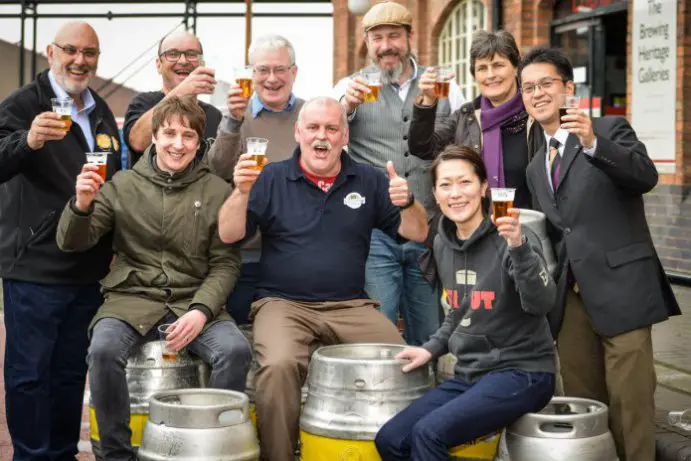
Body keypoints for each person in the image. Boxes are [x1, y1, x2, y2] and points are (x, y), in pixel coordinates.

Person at [218, 96, 428, 461]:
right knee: (279, 366)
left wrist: (408, 202)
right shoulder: (269, 176)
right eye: (313, 128)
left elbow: (418, 233)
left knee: (402, 361)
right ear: (298, 132)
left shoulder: (369, 179)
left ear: (345, 135)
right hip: (283, 304)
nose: (322, 137)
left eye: (331, 128)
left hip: (350, 304)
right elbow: (229, 234)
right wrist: (240, 191)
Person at [56, 95, 252, 461]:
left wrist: (201, 311)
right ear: (154, 138)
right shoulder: (121, 185)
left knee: (235, 350)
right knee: (102, 350)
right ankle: (115, 453)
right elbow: (72, 242)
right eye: (170, 133)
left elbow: (226, 263)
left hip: (194, 299)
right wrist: (81, 205)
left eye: (188, 136)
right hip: (131, 299)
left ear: (199, 142)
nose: (178, 144)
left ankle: (211, 447)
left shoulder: (216, 190)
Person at [519, 46, 681, 461]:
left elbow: (644, 176)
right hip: (571, 301)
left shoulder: (609, 128)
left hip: (623, 290)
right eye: (528, 88)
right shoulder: (537, 164)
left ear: (568, 88)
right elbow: (558, 231)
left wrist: (592, 143)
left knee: (631, 406)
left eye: (546, 84)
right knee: (584, 405)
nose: (536, 93)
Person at [375, 145, 556, 460]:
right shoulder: (443, 244)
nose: (455, 193)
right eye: (445, 185)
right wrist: (430, 348)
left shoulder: (515, 237)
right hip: (471, 374)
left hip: (523, 372)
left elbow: (542, 303)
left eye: (465, 182)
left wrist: (519, 247)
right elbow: (458, 312)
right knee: (390, 439)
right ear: (434, 193)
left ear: (484, 187)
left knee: (428, 434)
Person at [0, 21, 121, 461]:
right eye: (70, 50)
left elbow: (113, 181)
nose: (80, 60)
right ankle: (32, 456)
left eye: (89, 53)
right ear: (51, 53)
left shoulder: (101, 110)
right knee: (31, 375)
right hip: (35, 266)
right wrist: (27, 141)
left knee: (71, 373)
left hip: (87, 269)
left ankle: (63, 453)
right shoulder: (24, 103)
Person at [333, 1, 465, 346]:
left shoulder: (443, 84)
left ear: (410, 37)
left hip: (430, 230)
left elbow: (463, 144)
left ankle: (429, 397)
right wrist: (345, 106)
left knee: (431, 329)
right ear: (367, 42)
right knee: (380, 328)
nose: (386, 45)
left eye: (394, 36)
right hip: (376, 230)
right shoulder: (349, 87)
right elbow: (325, 145)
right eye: (377, 38)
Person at [207, 34, 305, 325]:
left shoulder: (310, 116)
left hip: (295, 252)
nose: (271, 78)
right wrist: (234, 120)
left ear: (294, 72)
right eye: (262, 70)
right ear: (251, 74)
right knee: (240, 330)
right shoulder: (235, 115)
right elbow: (217, 169)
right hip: (246, 252)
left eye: (280, 69)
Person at [408, 30, 535, 209]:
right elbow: (421, 147)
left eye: (498, 65)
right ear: (474, 75)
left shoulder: (536, 116)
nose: (490, 75)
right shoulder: (466, 116)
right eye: (482, 68)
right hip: (474, 228)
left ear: (516, 68)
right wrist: (428, 101)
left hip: (526, 226)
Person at [123, 31, 221, 166]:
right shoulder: (143, 103)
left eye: (191, 54)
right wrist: (183, 90)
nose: (183, 61)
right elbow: (137, 142)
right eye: (172, 54)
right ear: (159, 65)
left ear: (201, 64)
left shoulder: (214, 115)